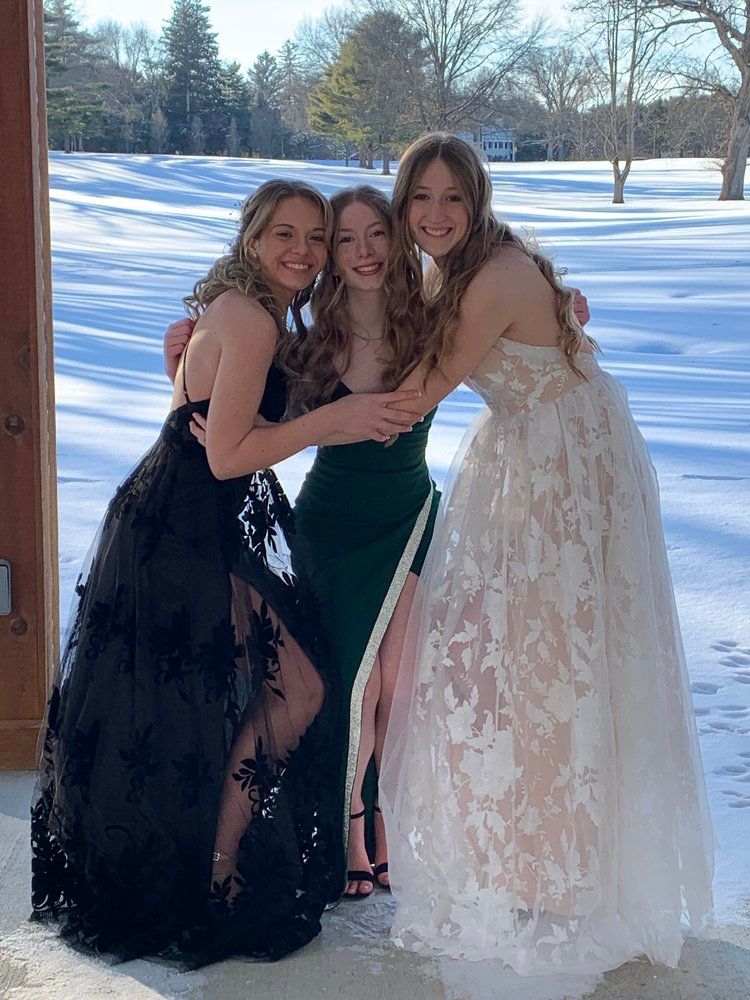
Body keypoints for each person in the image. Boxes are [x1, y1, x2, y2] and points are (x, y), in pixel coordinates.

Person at [30, 179, 421, 967]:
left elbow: (219, 424)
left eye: (317, 238)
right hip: (185, 524)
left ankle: (212, 859)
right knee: (289, 690)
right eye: (286, 234)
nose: (304, 251)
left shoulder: (258, 315)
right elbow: (227, 452)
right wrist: (333, 421)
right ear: (252, 240)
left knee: (243, 694)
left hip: (194, 514)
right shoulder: (247, 318)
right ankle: (215, 869)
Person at [165, 184, 592, 902]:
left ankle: (389, 822)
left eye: (377, 235)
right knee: (354, 688)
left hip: (410, 513)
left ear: (396, 243)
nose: (363, 251)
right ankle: (351, 834)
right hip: (335, 519)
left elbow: (522, 324)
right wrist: (180, 362)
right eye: (345, 240)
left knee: (399, 685)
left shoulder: (433, 318)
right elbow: (242, 413)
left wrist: (567, 306)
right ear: (329, 255)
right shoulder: (312, 341)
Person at [378, 134, 714, 976]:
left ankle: (563, 873)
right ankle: (534, 855)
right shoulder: (462, 269)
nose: (436, 214)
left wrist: (289, 412)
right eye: (421, 198)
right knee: (516, 660)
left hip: (565, 464)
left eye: (453, 197)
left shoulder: (491, 276)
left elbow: (419, 391)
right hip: (535, 450)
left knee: (555, 659)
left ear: (478, 199)